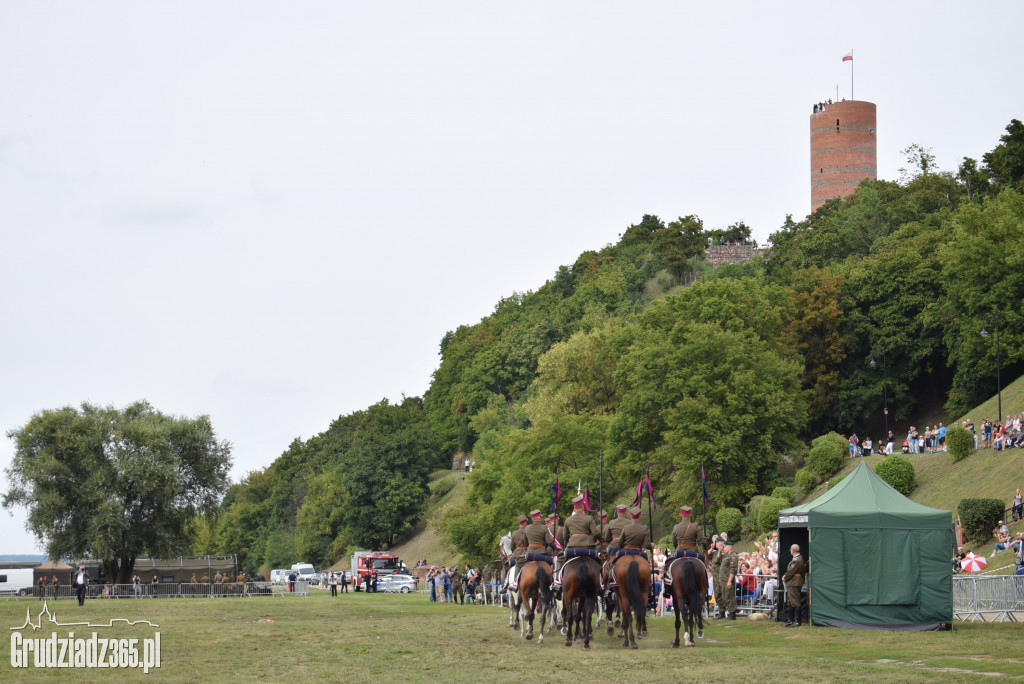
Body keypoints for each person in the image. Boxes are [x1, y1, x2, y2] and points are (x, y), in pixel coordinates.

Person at [500, 514, 529, 594]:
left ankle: (504, 586)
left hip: (518, 555)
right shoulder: (529, 530)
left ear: (519, 523)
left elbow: (512, 547)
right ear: (526, 522)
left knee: (506, 566)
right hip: (529, 553)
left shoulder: (515, 533)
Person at [783, 544, 806, 627]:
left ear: (792, 551)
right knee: (791, 601)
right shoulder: (797, 559)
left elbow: (791, 571)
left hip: (794, 582)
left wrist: (785, 577)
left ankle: (797, 621)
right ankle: (790, 620)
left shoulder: (797, 560)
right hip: (793, 581)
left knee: (795, 601)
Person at [719, 541, 738, 619]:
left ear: (730, 547)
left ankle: (732, 613)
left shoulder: (733, 556)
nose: (724, 548)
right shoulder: (726, 556)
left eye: (725, 546)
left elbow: (732, 569)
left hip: (728, 579)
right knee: (725, 596)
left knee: (729, 596)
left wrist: (729, 580)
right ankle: (729, 612)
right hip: (724, 580)